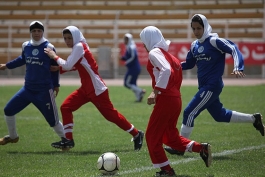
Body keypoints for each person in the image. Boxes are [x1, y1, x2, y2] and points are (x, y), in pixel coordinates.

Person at [164, 14, 264, 156]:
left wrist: (238, 66)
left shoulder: (214, 41)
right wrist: (172, 66)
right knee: (219, 115)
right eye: (193, 29)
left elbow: (234, 49)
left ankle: (180, 147)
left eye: (199, 28)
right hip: (204, 87)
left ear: (205, 26)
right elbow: (189, 64)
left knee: (189, 112)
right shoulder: (194, 45)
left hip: (212, 86)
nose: (196, 31)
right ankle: (254, 119)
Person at [44, 26, 144, 151]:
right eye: (65, 38)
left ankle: (136, 134)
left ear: (75, 36)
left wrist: (54, 56)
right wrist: (59, 68)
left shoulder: (79, 46)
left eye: (70, 38)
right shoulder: (79, 46)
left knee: (111, 116)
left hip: (97, 89)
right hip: (86, 88)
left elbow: (69, 65)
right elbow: (79, 65)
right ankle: (68, 140)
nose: (67, 41)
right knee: (66, 107)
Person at [139, 26, 212, 176]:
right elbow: (175, 75)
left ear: (149, 39)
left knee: (152, 136)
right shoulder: (169, 56)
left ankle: (166, 170)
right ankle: (201, 148)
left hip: (166, 99)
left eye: (143, 41)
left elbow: (166, 71)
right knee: (169, 137)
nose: (143, 45)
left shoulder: (154, 52)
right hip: (175, 99)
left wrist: (156, 91)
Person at [0, 21, 65, 146]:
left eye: (39, 31)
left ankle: (66, 140)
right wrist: (6, 66)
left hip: (44, 91)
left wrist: (56, 85)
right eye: (34, 31)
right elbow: (22, 59)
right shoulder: (26, 46)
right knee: (8, 110)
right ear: (30, 32)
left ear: (42, 32)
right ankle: (13, 137)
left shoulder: (49, 47)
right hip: (27, 89)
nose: (36, 33)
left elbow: (55, 67)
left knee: (53, 120)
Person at [120, 33, 146, 102]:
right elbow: (127, 57)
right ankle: (138, 98)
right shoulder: (129, 47)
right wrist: (122, 58)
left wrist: (127, 62)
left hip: (133, 68)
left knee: (127, 83)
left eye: (126, 39)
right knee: (133, 84)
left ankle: (140, 91)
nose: (125, 41)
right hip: (134, 68)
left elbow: (133, 57)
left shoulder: (131, 47)